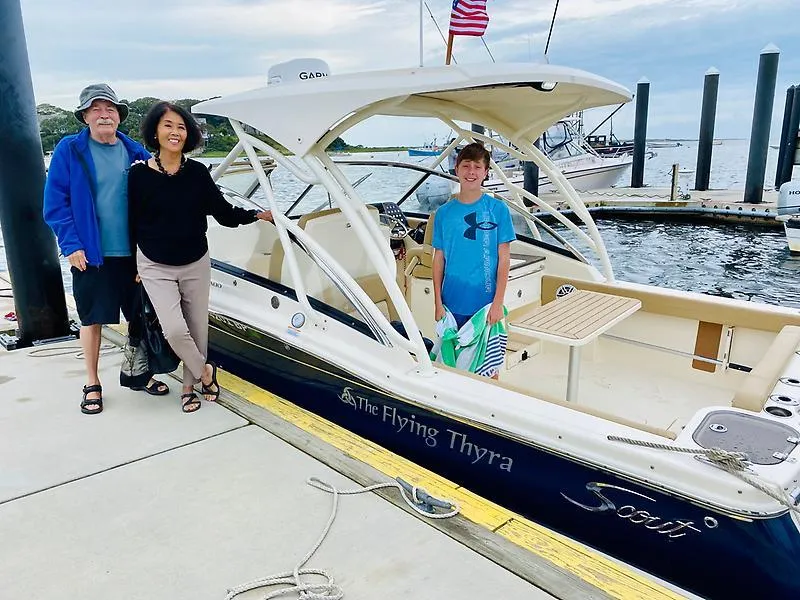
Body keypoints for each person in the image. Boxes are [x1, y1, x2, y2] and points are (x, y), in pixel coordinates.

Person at [128, 101, 272, 413]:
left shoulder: (196, 173)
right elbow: (131, 221)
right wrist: (133, 265)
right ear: (155, 131)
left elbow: (223, 213)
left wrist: (257, 215)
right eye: (168, 125)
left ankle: (189, 387)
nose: (175, 132)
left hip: (195, 260)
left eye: (181, 127)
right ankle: (207, 373)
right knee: (175, 330)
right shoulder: (138, 175)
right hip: (154, 263)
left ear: (189, 134)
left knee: (197, 329)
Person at [43, 83, 170, 415]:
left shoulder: (136, 153)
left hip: (134, 255)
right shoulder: (69, 150)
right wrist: (71, 245)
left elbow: (158, 201)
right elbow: (56, 204)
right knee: (92, 319)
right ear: (85, 116)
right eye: (96, 109)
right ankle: (92, 382)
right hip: (91, 255)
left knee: (140, 317)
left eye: (110, 108)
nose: (104, 114)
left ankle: (139, 373)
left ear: (119, 115)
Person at [431, 142, 516, 379]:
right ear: (456, 169)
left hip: (485, 304)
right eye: (466, 165)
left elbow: (504, 258)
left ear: (486, 172)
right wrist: (438, 302)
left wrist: (498, 303)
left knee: (489, 367)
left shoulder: (498, 210)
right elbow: (438, 258)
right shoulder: (444, 213)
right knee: (450, 362)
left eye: (477, 167)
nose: (471, 172)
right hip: (451, 303)